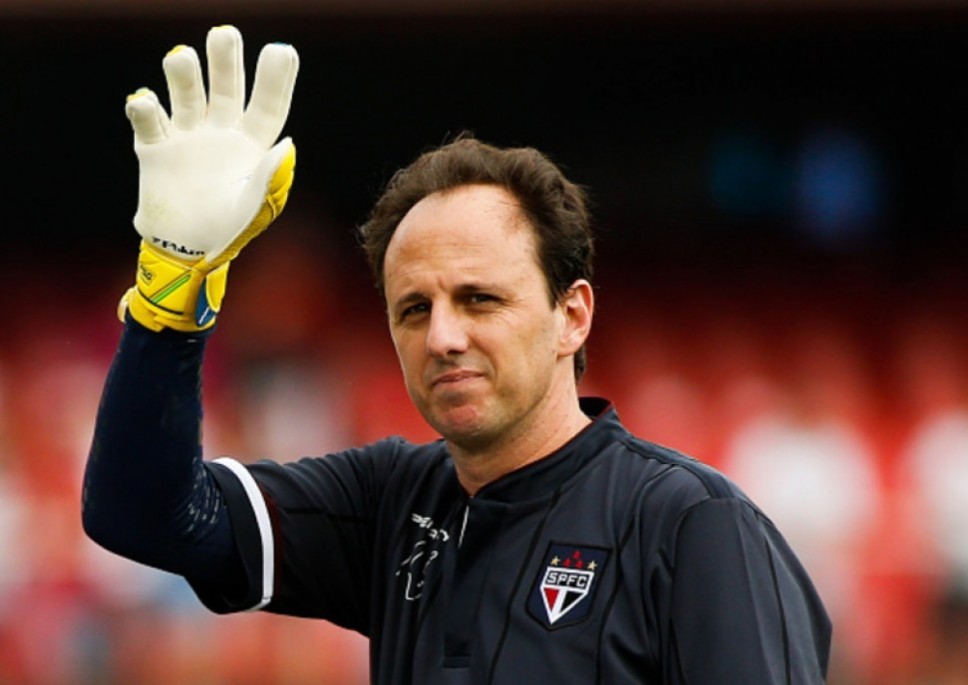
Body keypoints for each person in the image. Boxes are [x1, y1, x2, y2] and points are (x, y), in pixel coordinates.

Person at [82, 25, 832, 684]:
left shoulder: (692, 524)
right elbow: (140, 515)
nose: (443, 336)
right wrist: (172, 284)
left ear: (571, 316)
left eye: (480, 299)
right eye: (414, 309)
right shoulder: (389, 505)